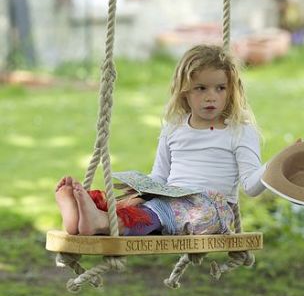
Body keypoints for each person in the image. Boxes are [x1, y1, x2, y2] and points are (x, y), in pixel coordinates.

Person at [55, 44, 268, 237]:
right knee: (134, 206)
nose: (211, 96)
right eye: (201, 88)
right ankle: (84, 217)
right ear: (185, 92)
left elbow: (251, 186)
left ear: (230, 91)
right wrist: (140, 195)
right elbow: (159, 176)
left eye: (220, 88)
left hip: (211, 209)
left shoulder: (239, 131)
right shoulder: (174, 128)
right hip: (171, 198)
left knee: (161, 213)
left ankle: (100, 223)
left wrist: (277, 166)